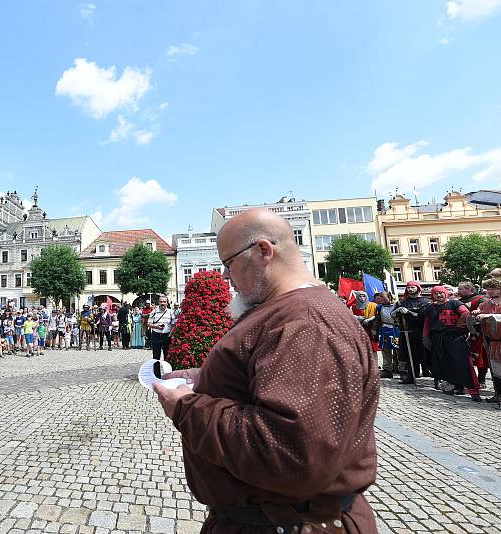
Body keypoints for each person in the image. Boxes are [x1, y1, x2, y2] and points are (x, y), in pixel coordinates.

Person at [154, 208, 379, 533]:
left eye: (228, 264)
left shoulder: (303, 322)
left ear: (263, 251)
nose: (226, 277)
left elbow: (290, 451)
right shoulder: (289, 312)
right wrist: (206, 378)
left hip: (285, 522)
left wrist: (186, 407)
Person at [423, 285, 479, 400]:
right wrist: (425, 337)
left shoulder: (454, 303)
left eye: (441, 293)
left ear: (445, 293)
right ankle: (454, 385)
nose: (439, 295)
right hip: (438, 339)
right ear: (432, 295)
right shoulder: (430, 308)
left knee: (463, 363)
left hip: (455, 337)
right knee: (445, 363)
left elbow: (465, 313)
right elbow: (427, 324)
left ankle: (473, 390)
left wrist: (460, 324)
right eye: (436, 293)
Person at [473, 277, 501, 403]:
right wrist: (476, 315)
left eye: (493, 288)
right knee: (498, 369)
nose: (490, 291)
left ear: (500, 288)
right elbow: (476, 322)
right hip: (494, 342)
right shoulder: (484, 305)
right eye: (488, 289)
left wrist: (489, 316)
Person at [392, 281, 430, 384]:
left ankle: (432, 375)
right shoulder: (401, 302)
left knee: (426, 354)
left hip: (422, 331)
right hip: (406, 332)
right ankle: (411, 375)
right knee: (408, 355)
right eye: (408, 287)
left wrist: (409, 312)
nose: (410, 289)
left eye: (413, 287)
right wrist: (398, 309)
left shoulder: (426, 302)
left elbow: (425, 316)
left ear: (418, 288)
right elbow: (393, 314)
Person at [458, 281, 488, 387]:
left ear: (468, 289)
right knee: (466, 358)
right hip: (463, 333)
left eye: (460, 289)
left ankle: (481, 379)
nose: (458, 291)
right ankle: (468, 379)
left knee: (481, 357)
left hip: (478, 332)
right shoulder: (460, 301)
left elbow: (485, 313)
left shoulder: (481, 300)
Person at [368, 292, 399, 379]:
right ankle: (387, 370)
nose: (381, 299)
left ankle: (402, 369)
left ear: (389, 297)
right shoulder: (379, 307)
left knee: (398, 350)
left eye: (382, 297)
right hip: (384, 330)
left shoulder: (397, 306)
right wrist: (375, 331)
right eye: (379, 297)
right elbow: (377, 320)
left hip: (395, 329)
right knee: (385, 351)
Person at [148, 296, 174, 361]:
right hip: (156, 335)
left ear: (167, 303)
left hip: (166, 336)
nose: (162, 303)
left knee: (167, 356)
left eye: (164, 302)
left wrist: (170, 335)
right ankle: (156, 371)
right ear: (158, 302)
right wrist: (156, 326)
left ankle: (167, 371)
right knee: (156, 357)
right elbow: (148, 324)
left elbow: (174, 325)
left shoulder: (171, 312)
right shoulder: (154, 311)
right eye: (161, 301)